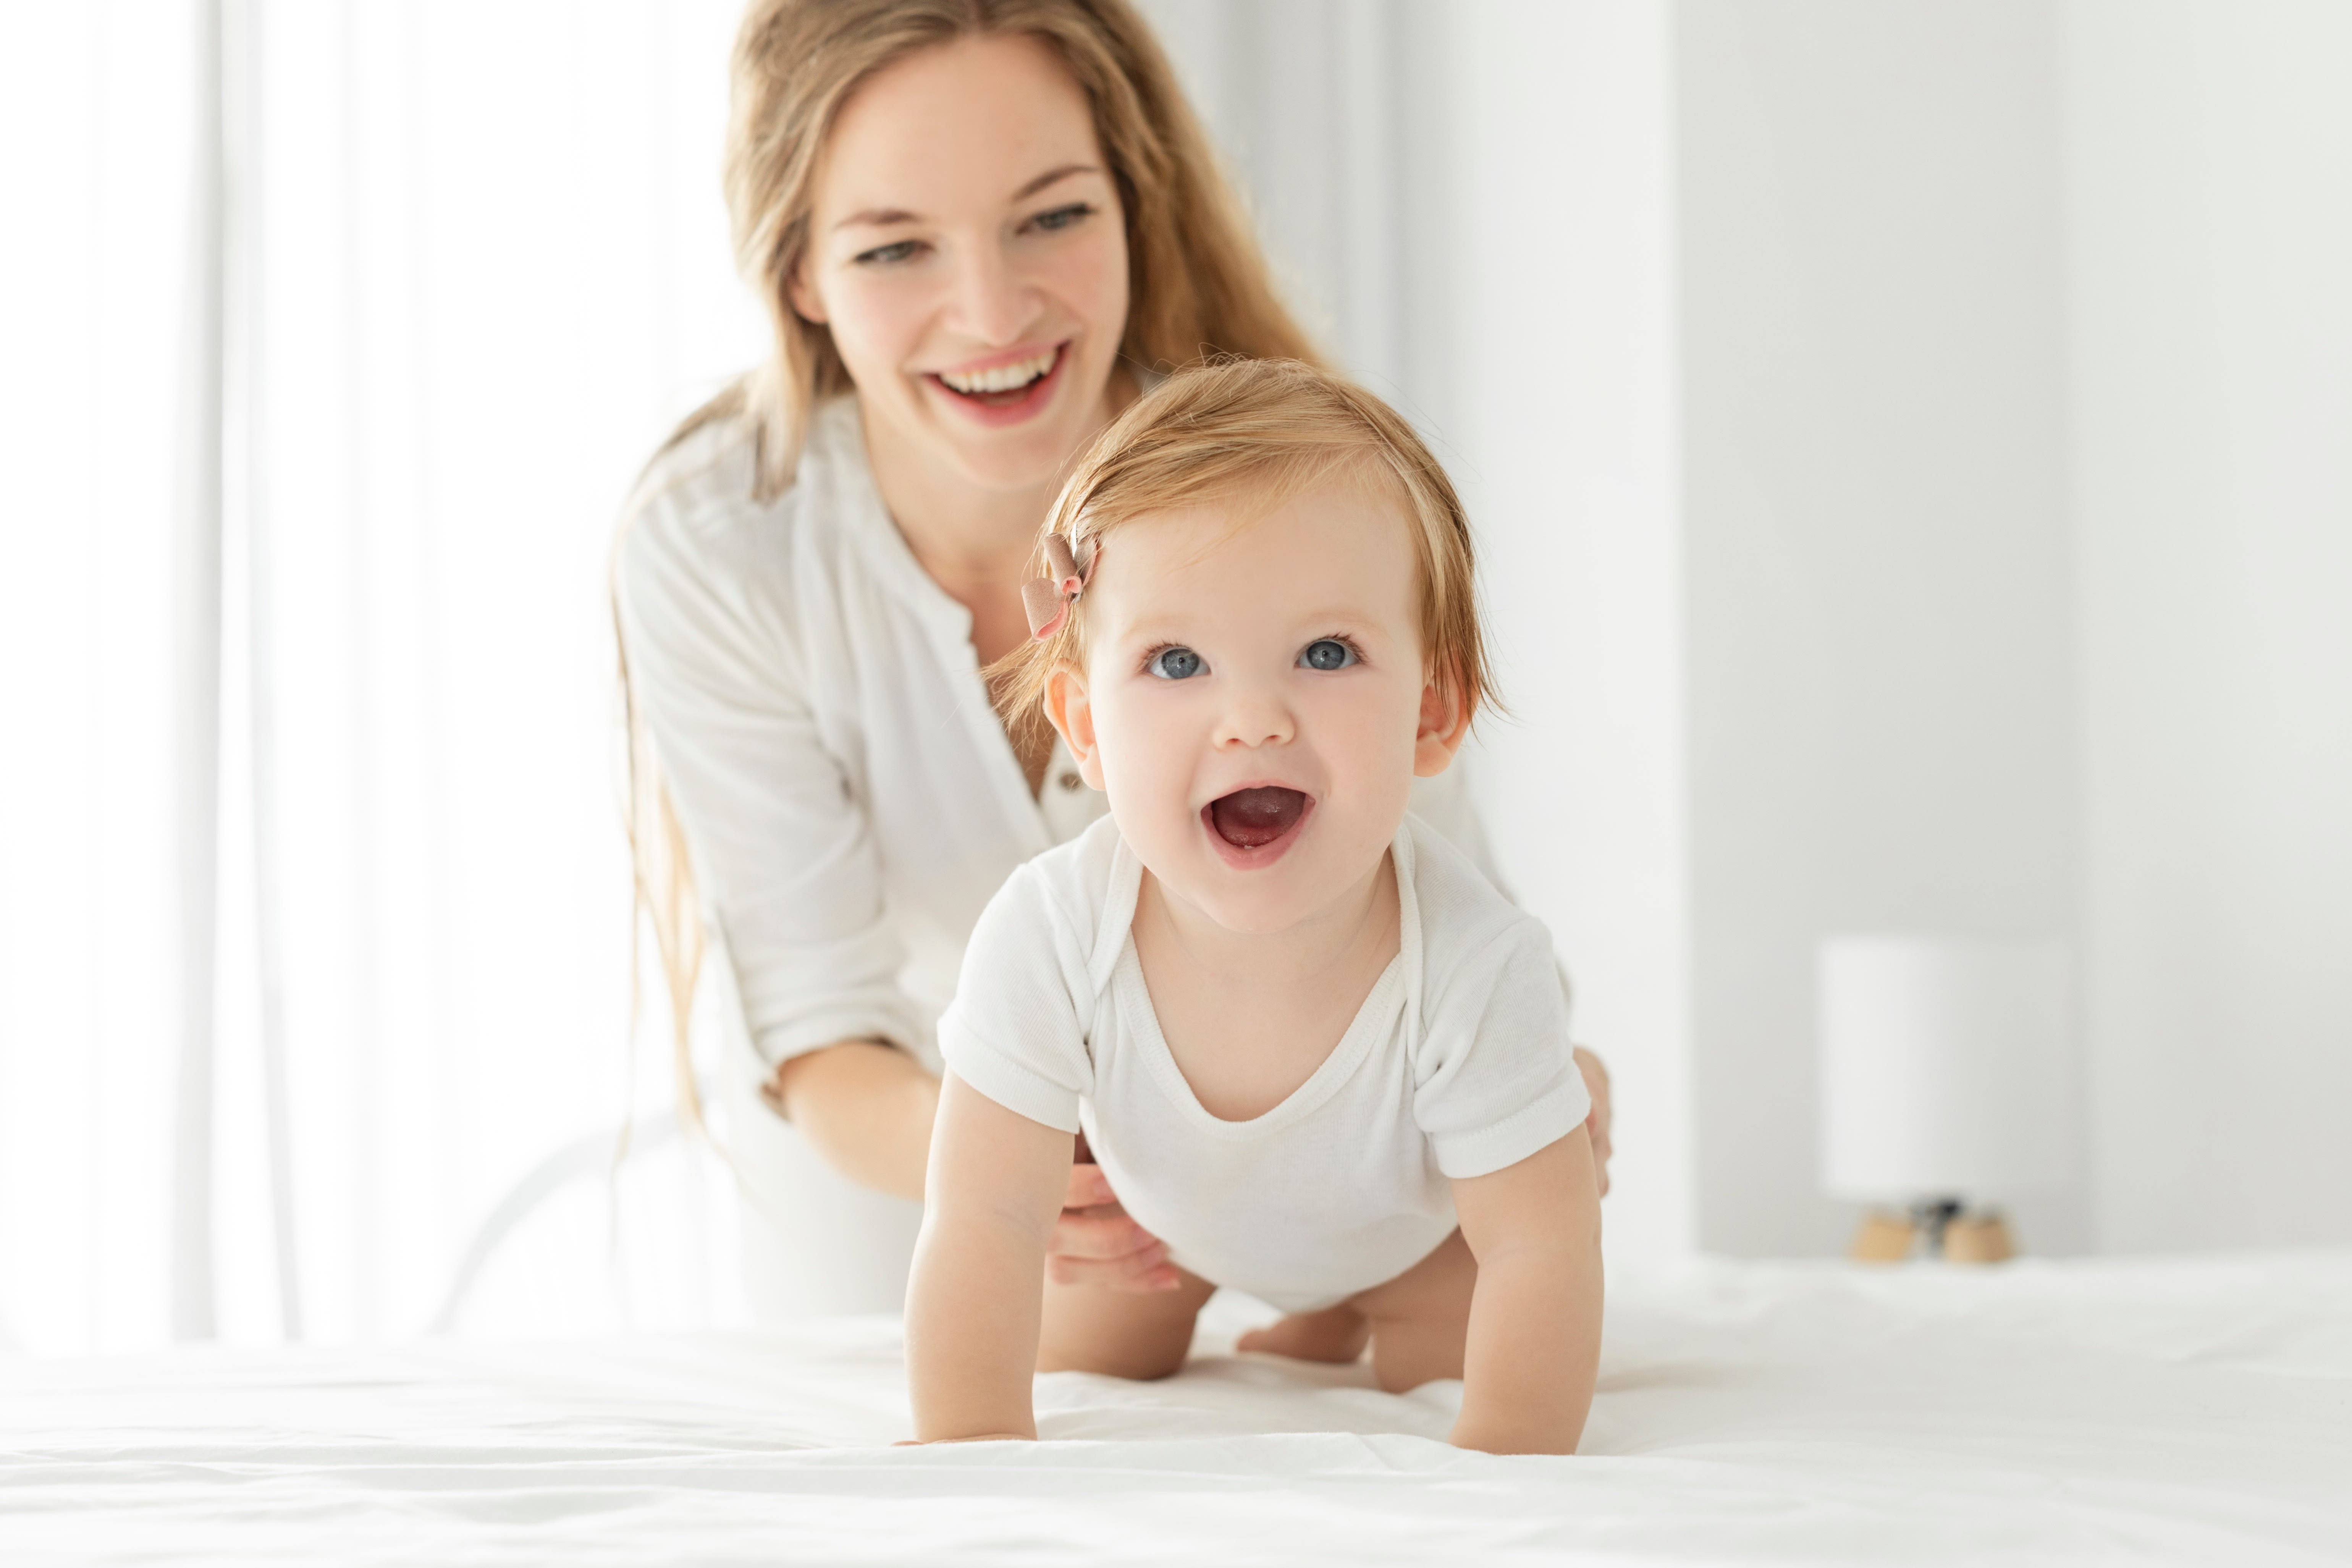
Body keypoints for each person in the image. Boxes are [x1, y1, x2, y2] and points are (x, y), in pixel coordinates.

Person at [614, 0, 1612, 1318]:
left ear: (1136, 203)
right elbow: (819, 1021)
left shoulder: (1295, 490)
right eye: (896, 246)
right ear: (798, 270)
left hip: (1351, 1189)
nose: (991, 312)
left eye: (1052, 217)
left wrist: (1535, 1079)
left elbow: (1440, 898)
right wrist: (1030, 1169)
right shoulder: (721, 544)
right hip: (917, 1197)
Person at [908, 359, 1602, 1453]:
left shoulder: (1476, 961)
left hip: (1411, 1241)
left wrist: (1511, 1463)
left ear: (1432, 712)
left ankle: (1344, 1313)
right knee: (1086, 1344)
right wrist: (968, 1440)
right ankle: (1296, 1314)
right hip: (1167, 1237)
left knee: (1447, 1353)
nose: (1252, 719)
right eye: (1176, 660)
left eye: (1326, 653)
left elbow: (1542, 1247)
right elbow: (983, 1214)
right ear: (1086, 729)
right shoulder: (1050, 931)